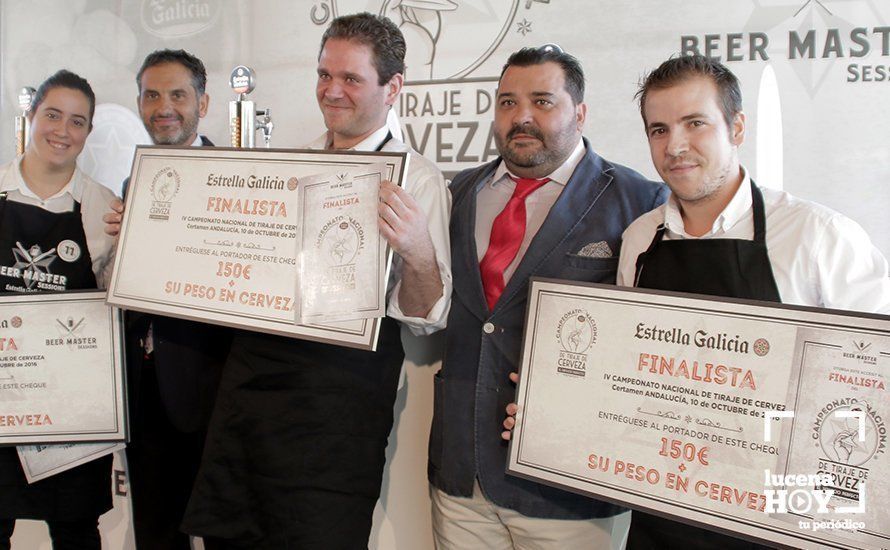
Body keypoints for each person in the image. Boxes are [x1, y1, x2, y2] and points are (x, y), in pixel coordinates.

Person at [182, 13, 451, 549]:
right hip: (249, 398)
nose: (332, 91)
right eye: (324, 74)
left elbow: (427, 317)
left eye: (351, 78)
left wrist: (419, 251)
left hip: (334, 417)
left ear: (392, 87)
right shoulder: (289, 164)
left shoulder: (416, 178)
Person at [616, 54, 890, 548]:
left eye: (694, 123)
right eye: (659, 129)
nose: (674, 146)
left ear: (737, 126)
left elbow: (875, 388)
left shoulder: (817, 236)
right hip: (664, 511)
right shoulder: (639, 239)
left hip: (782, 517)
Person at [429, 45, 667, 549]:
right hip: (460, 476)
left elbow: (654, 346)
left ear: (580, 112)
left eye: (543, 101)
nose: (522, 117)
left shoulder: (640, 201)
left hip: (569, 491)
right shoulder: (461, 192)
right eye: (508, 102)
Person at [103, 49, 231, 550]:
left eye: (177, 94)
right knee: (156, 534)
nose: (164, 106)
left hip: (213, 389)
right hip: (147, 388)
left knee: (224, 534)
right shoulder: (135, 179)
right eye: (151, 94)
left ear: (203, 101)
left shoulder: (238, 174)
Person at [0, 70, 117, 550]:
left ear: (88, 133)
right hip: (3, 398)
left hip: (74, 409)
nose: (62, 131)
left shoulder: (106, 210)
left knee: (75, 529)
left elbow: (117, 308)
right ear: (31, 116)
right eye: (52, 115)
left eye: (77, 122)